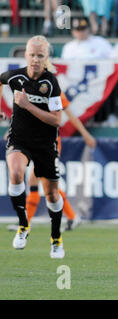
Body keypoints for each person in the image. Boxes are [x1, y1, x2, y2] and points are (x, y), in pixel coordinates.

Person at [0, 35, 65, 258]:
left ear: (46, 58)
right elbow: (0, 80)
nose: (35, 59)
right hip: (19, 138)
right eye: (32, 54)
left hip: (45, 144)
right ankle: (23, 225)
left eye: (40, 55)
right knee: (16, 173)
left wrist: (27, 105)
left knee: (52, 195)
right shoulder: (15, 77)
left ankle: (56, 239)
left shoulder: (51, 83)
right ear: (25, 54)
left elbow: (57, 120)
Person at [25, 89, 96, 231]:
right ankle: (71, 217)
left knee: (45, 183)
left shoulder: (53, 91)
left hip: (50, 143)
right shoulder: (32, 90)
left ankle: (25, 223)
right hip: (37, 142)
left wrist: (85, 135)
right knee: (43, 183)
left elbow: (71, 116)